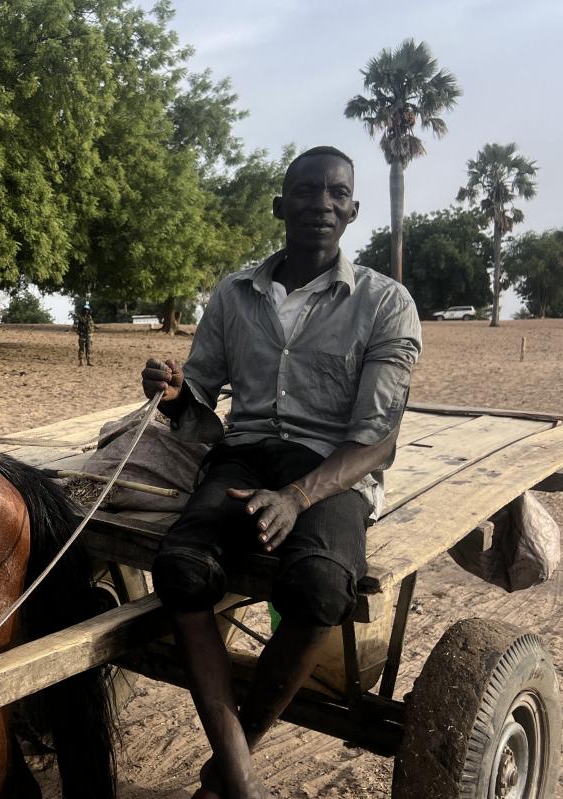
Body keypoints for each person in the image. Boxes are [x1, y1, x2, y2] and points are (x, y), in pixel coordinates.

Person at [139, 146, 421, 799]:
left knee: (322, 588)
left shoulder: (385, 304)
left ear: (352, 209)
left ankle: (226, 768)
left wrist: (296, 497)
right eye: (306, 191)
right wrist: (175, 391)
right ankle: (239, 778)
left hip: (331, 467)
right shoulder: (234, 296)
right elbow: (200, 400)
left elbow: (376, 442)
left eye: (335, 192)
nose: (320, 203)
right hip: (245, 453)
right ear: (280, 205)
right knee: (180, 567)